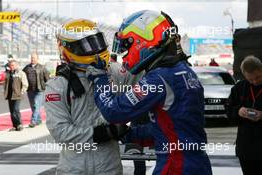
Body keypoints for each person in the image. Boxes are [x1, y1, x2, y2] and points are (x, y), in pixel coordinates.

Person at [86, 10, 212, 175]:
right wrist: (128, 133)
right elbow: (174, 129)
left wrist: (100, 79)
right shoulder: (184, 71)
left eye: (126, 46)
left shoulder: (159, 78)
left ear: (143, 41)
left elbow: (113, 111)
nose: (124, 55)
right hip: (196, 164)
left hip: (175, 167)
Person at [45, 19, 131, 175]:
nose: (96, 50)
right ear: (69, 48)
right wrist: (101, 134)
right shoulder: (58, 84)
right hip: (73, 168)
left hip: (109, 166)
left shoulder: (116, 72)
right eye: (88, 45)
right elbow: (60, 132)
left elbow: (149, 85)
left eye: (98, 42)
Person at [227, 55, 262, 175]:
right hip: (246, 147)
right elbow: (228, 111)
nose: (255, 81)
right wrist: (238, 111)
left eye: (258, 77)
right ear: (244, 76)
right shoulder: (239, 88)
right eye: (251, 79)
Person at [23, 52, 50, 128]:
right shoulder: (26, 68)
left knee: (36, 105)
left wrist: (48, 87)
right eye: (31, 58)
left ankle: (33, 121)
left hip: (39, 90)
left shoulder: (42, 67)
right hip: (30, 90)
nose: (32, 59)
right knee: (33, 106)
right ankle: (39, 120)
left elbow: (47, 79)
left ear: (37, 59)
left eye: (34, 58)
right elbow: (22, 77)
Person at [4, 60, 28, 131]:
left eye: (13, 65)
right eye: (10, 65)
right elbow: (5, 83)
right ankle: (14, 125)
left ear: (16, 65)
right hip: (10, 95)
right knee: (12, 111)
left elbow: (25, 84)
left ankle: (19, 124)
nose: (12, 67)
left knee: (16, 109)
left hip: (17, 95)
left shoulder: (21, 73)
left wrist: (22, 92)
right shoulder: (7, 74)